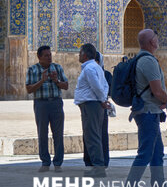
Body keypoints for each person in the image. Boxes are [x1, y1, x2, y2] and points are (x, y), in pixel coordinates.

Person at [121, 29, 167, 187]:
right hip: (147, 113)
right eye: (156, 37)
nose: (158, 40)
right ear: (151, 42)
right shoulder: (148, 61)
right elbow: (157, 91)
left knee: (156, 154)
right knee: (145, 153)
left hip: (150, 112)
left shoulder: (143, 58)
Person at [26, 45, 69, 172]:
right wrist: (42, 80)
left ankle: (58, 163)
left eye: (50, 55)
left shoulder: (57, 68)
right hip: (41, 104)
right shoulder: (32, 70)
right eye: (46, 55)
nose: (49, 58)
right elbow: (28, 89)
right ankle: (45, 162)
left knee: (58, 134)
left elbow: (65, 86)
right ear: (39, 57)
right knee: (42, 133)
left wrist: (56, 80)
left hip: (56, 103)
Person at [74, 43, 109, 178]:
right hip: (95, 104)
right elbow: (104, 86)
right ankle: (97, 165)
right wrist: (103, 99)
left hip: (91, 105)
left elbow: (97, 87)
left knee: (92, 136)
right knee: (95, 134)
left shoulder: (89, 69)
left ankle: (98, 168)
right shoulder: (97, 67)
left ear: (85, 54)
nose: (78, 55)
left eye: (80, 53)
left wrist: (102, 100)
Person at [83, 52, 113, 168]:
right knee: (90, 134)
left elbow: (109, 90)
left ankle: (101, 161)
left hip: (99, 107)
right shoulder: (88, 71)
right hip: (90, 106)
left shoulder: (104, 74)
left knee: (100, 134)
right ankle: (90, 160)